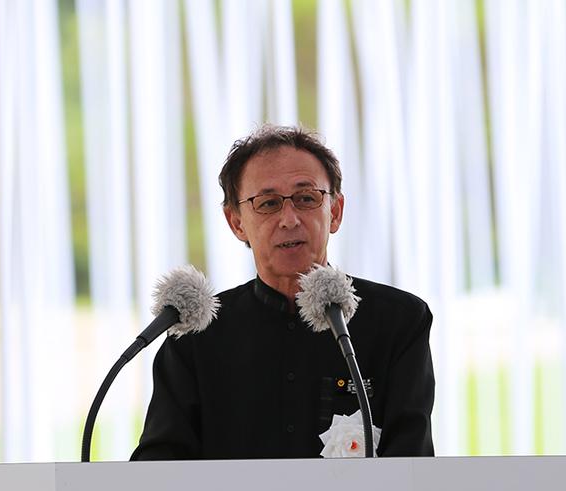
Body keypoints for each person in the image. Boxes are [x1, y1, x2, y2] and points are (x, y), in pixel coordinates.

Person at [130, 125, 435, 459]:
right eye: (268, 203)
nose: (289, 220)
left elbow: (412, 471)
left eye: (306, 199)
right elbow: (157, 470)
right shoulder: (196, 333)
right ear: (236, 222)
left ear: (334, 211)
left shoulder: (398, 321)